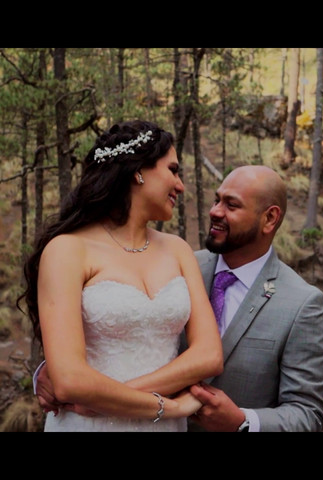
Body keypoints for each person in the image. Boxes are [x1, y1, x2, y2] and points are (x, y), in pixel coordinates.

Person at [36, 165, 323, 432]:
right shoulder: (178, 264)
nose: (215, 211)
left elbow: (309, 413)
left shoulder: (301, 304)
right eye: (217, 200)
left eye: (231, 205)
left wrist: (242, 421)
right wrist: (55, 372)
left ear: (270, 218)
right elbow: (124, 332)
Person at [19, 120, 223, 432]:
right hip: (88, 425)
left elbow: (209, 355)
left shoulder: (179, 250)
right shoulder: (68, 250)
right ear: (138, 171)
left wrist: (106, 397)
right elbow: (70, 379)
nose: (180, 185)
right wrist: (169, 405)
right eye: (172, 170)